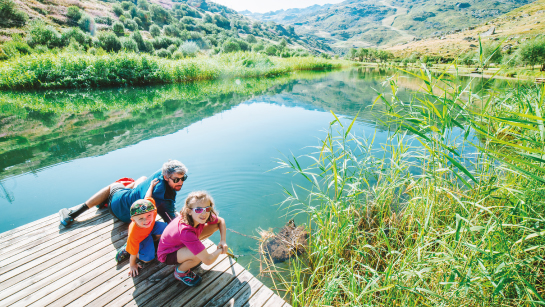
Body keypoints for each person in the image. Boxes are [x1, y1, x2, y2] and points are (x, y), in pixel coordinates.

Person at [59, 160, 188, 226]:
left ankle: (75, 212)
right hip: (120, 208)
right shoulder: (163, 199)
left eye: (183, 178)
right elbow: (173, 223)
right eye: (176, 180)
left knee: (121, 184)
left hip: (122, 209)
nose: (180, 182)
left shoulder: (162, 173)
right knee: (123, 184)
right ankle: (72, 214)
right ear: (166, 177)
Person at [157, 191, 228, 287]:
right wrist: (220, 250)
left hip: (181, 243)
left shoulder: (202, 215)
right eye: (198, 210)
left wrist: (223, 241)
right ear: (189, 211)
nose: (204, 213)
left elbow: (221, 221)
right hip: (167, 254)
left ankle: (190, 250)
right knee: (197, 257)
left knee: (215, 225)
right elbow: (208, 260)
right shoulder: (186, 232)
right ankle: (180, 272)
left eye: (207, 208)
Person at [115, 179, 167, 277]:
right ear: (133, 220)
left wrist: (151, 185)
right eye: (141, 218)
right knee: (148, 259)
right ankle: (128, 248)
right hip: (140, 237)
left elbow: (148, 196)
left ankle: (152, 239)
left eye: (149, 216)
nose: (146, 220)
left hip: (150, 229)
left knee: (167, 229)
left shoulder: (150, 207)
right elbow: (133, 255)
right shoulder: (134, 233)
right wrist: (132, 264)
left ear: (153, 211)